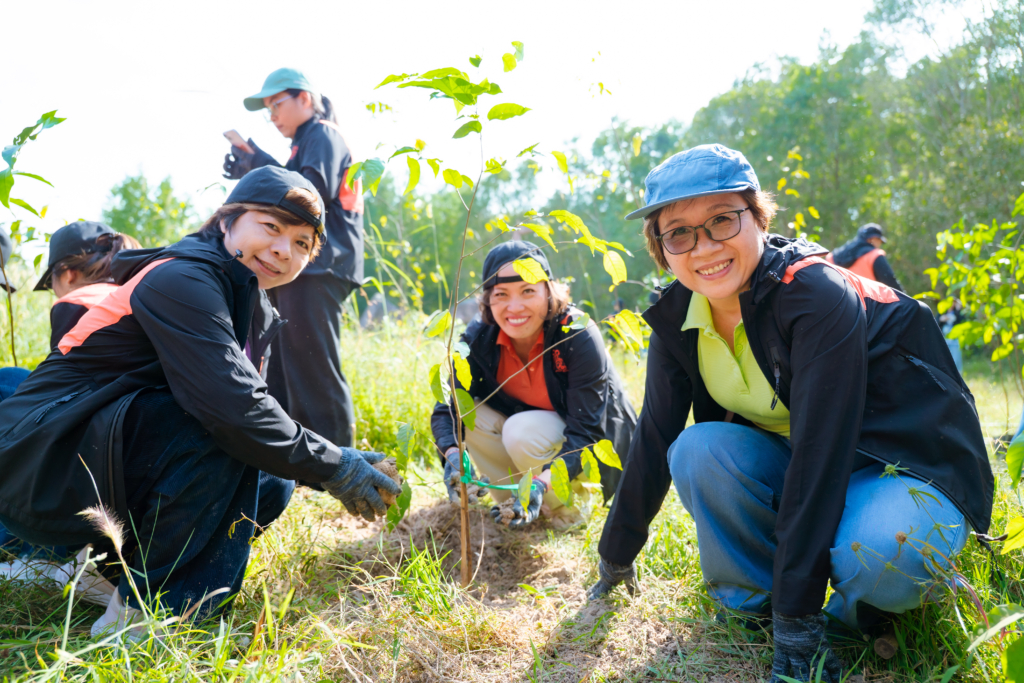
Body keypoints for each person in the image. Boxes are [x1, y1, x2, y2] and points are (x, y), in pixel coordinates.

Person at [587, 144, 993, 682]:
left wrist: (800, 619)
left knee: (886, 552)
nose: (703, 246)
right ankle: (756, 606)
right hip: (805, 460)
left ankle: (844, 619)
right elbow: (656, 434)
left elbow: (822, 452)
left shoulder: (815, 295)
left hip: (900, 464)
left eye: (721, 220)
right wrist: (615, 557)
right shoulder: (680, 311)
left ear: (758, 217)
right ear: (660, 248)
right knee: (697, 449)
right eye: (678, 232)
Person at [0, 167, 400, 636]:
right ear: (225, 220)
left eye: (302, 244)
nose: (282, 250)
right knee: (219, 430)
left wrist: (335, 463)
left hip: (97, 457)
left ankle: (142, 588)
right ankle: (143, 615)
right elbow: (233, 409)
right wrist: (334, 465)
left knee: (272, 481)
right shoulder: (184, 278)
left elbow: (249, 416)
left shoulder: (250, 305)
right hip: (40, 460)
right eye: (271, 227)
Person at [431, 241, 637, 528]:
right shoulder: (479, 338)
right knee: (468, 413)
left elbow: (587, 432)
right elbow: (448, 406)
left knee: (520, 431)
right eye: (501, 294)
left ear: (548, 292)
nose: (514, 307)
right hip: (535, 443)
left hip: (588, 450)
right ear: (488, 300)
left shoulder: (576, 335)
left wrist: (541, 484)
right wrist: (452, 457)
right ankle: (513, 508)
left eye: (528, 291)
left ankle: (568, 513)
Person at [223, 67, 363, 449]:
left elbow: (307, 196)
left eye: (276, 104)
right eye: (267, 109)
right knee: (284, 367)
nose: (272, 116)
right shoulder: (305, 142)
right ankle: (298, 463)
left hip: (321, 263)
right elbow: (292, 184)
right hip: (299, 264)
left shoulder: (323, 135)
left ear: (305, 97)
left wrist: (259, 166)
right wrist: (255, 164)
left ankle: (341, 463)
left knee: (313, 364)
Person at [33, 221, 141, 349]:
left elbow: (61, 368)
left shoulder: (76, 304)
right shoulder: (138, 293)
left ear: (69, 274)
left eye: (51, 284)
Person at [827, 223, 903, 291]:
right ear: (872, 239)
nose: (880, 244)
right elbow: (891, 283)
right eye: (879, 240)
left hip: (839, 302)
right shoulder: (875, 255)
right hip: (865, 303)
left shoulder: (833, 257)